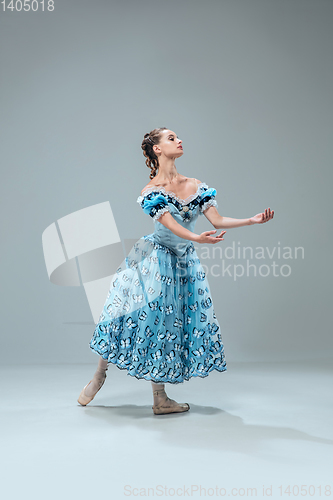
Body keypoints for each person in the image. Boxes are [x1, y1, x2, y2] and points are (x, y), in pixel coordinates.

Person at [78, 127, 274, 415]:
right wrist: (197, 238)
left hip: (184, 264)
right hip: (155, 259)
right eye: (171, 138)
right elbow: (170, 225)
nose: (179, 140)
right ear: (157, 149)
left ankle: (160, 398)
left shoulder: (196, 185)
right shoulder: (151, 192)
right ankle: (99, 376)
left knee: (168, 324)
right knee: (124, 314)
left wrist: (251, 221)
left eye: (178, 137)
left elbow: (216, 219)